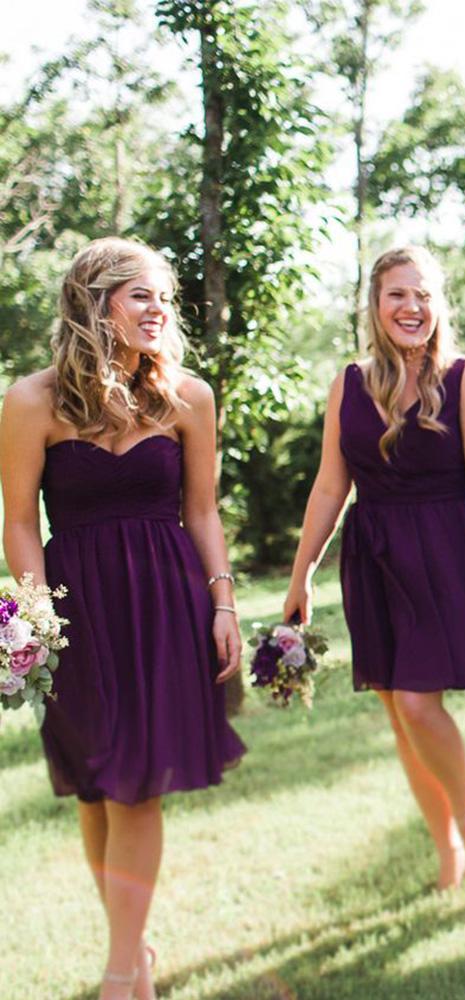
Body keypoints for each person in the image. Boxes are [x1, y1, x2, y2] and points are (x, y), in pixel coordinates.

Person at [0, 237, 245, 999]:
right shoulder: (32, 400)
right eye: (140, 293)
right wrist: (36, 618)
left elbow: (200, 510)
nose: (159, 308)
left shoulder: (187, 398)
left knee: (137, 783)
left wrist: (223, 601)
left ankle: (117, 970)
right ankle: (130, 953)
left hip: (165, 604)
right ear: (93, 300)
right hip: (78, 611)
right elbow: (16, 522)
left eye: (163, 296)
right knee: (97, 782)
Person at [284, 245, 465, 889]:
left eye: (423, 295)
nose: (412, 307)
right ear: (376, 305)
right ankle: (445, 849)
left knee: (418, 705)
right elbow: (331, 486)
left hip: (445, 554)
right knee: (400, 715)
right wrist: (303, 570)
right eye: (398, 295)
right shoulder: (350, 383)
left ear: (438, 303)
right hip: (374, 557)